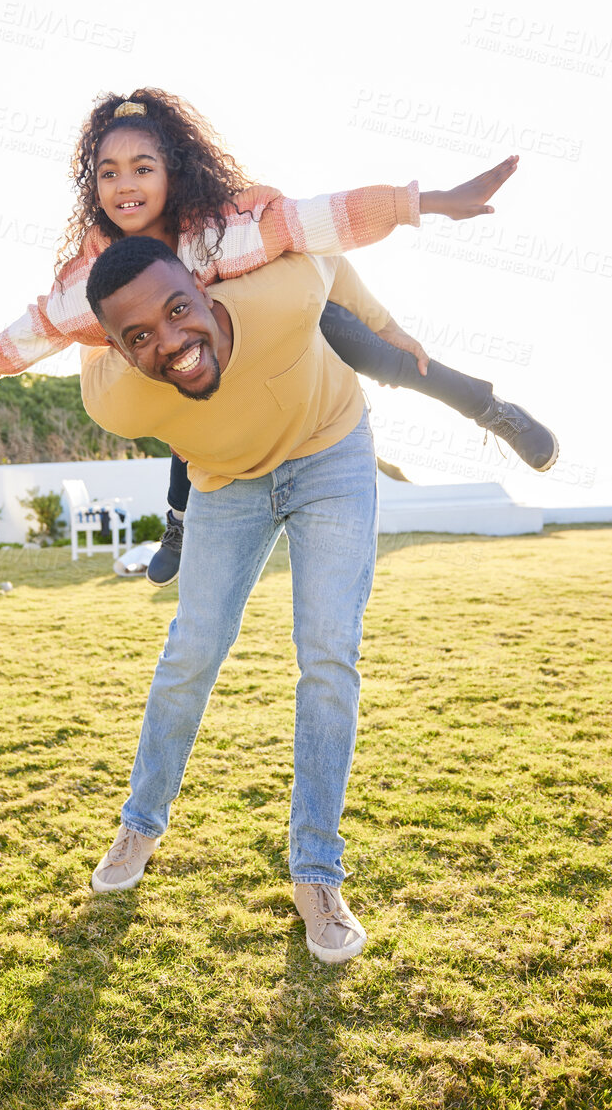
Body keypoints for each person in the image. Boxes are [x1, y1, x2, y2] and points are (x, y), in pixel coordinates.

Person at [0, 89, 558, 584]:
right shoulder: (95, 274)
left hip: (270, 345)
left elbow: (320, 222)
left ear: (173, 170)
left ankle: (486, 406)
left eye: (142, 167)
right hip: (186, 381)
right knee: (174, 367)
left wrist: (428, 203)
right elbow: (42, 325)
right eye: (108, 173)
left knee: (339, 332)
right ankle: (180, 519)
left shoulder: (225, 230)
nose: (126, 185)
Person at [78, 234, 401, 962]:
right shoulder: (116, 398)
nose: (170, 340)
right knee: (191, 649)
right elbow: (61, 322)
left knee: (327, 654)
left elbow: (328, 249)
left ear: (201, 284)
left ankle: (317, 874)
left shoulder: (278, 293)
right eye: (138, 336)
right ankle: (139, 823)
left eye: (177, 308)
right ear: (119, 350)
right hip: (225, 479)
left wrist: (390, 329)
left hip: (328, 450)